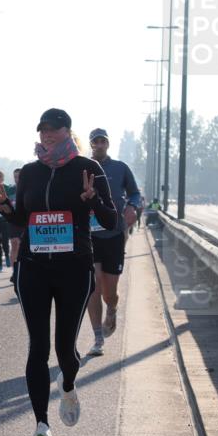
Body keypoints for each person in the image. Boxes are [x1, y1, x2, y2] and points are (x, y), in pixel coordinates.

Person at [7, 108, 116, 436]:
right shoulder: (31, 172)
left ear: (68, 132)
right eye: (42, 130)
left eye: (53, 129)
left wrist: (92, 199)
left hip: (74, 269)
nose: (47, 135)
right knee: (37, 346)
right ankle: (42, 427)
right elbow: (23, 218)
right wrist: (8, 212)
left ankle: (67, 382)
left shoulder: (88, 169)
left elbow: (110, 219)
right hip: (33, 268)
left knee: (64, 348)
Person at [84, 128, 142, 356]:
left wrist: (132, 207)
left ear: (107, 144)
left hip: (114, 234)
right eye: (95, 142)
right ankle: (98, 337)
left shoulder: (120, 168)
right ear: (91, 144)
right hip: (89, 235)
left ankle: (113, 307)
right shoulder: (82, 167)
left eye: (102, 142)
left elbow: (135, 193)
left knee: (110, 290)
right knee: (93, 285)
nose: (99, 145)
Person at [7, 168, 23, 283]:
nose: (17, 179)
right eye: (15, 176)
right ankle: (14, 271)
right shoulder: (10, 190)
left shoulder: (29, 188)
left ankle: (23, 270)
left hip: (26, 222)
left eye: (19, 176)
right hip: (13, 221)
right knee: (14, 244)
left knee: (24, 246)